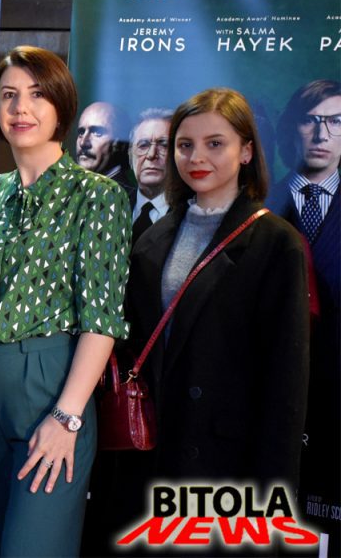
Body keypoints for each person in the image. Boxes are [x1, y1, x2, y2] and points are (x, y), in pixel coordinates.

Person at [0, 45, 132, 557]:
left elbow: (102, 319)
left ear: (61, 106)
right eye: (8, 95)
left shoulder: (98, 195)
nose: (21, 108)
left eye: (37, 95)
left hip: (52, 384)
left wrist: (67, 417)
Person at [124, 88, 310, 543]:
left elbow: (286, 383)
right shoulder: (150, 239)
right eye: (185, 145)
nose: (196, 158)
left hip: (228, 462)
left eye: (215, 143)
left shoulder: (276, 242)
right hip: (153, 450)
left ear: (246, 151)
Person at [273, 79, 340, 554]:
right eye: (310, 120)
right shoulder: (255, 204)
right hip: (270, 402)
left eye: (335, 121)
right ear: (291, 128)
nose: (322, 133)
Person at [128, 108, 173, 243]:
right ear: (130, 156)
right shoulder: (114, 205)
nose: (152, 154)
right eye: (143, 145)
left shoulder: (191, 214)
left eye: (163, 145)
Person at [75, 101, 133, 192]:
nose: (83, 143)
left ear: (119, 144)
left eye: (97, 132)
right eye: (81, 133)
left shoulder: (128, 198)